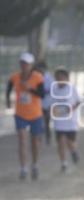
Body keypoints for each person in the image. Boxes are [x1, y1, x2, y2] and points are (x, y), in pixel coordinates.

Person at [6, 52, 44, 180]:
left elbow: (42, 94)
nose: (24, 66)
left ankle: (35, 165)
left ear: (31, 65)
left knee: (35, 141)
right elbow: (8, 89)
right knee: (22, 140)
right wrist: (8, 103)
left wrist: (30, 89)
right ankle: (23, 169)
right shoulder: (15, 77)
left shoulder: (38, 77)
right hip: (20, 114)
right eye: (22, 63)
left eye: (26, 64)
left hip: (35, 114)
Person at [50, 68, 81, 172]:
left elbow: (79, 101)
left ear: (67, 78)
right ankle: (63, 163)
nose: (60, 79)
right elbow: (52, 103)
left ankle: (73, 151)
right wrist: (54, 111)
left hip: (71, 121)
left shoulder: (72, 88)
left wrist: (71, 108)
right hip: (59, 122)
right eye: (57, 77)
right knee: (61, 142)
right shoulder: (54, 89)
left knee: (70, 142)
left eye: (62, 77)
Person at [34, 61, 55, 145]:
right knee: (39, 121)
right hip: (38, 103)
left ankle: (48, 138)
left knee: (46, 122)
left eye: (41, 68)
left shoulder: (49, 77)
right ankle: (39, 138)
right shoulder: (35, 76)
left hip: (47, 103)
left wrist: (44, 91)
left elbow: (53, 88)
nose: (39, 70)